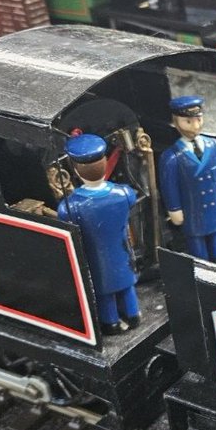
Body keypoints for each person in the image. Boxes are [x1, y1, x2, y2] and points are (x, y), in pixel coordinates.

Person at [56, 134, 140, 336]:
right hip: (122, 252)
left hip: (96, 259)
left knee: (104, 293)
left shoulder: (71, 206)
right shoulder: (124, 194)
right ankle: (132, 314)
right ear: (105, 162)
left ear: (75, 169)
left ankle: (111, 321)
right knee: (127, 285)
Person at [158, 95, 216, 261]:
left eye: (198, 119)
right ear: (176, 122)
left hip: (214, 205)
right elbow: (169, 187)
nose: (195, 126)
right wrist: (174, 209)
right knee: (198, 249)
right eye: (188, 122)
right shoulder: (172, 157)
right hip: (192, 210)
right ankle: (202, 267)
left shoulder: (215, 146)